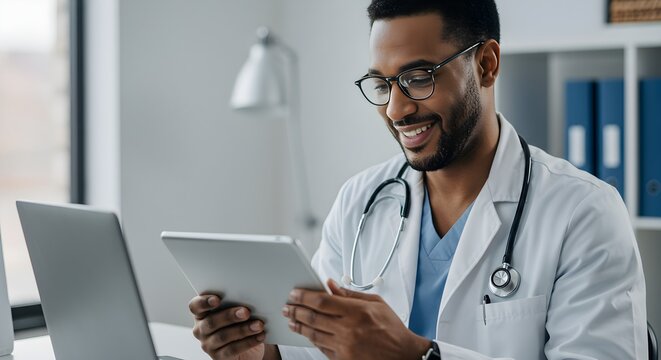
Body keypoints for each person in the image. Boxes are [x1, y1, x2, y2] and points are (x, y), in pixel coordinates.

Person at [188, 1, 648, 359]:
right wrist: (260, 354)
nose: (396, 109)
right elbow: (320, 347)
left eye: (418, 77)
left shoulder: (584, 213)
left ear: (486, 65)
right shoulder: (361, 200)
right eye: (383, 83)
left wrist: (418, 356)